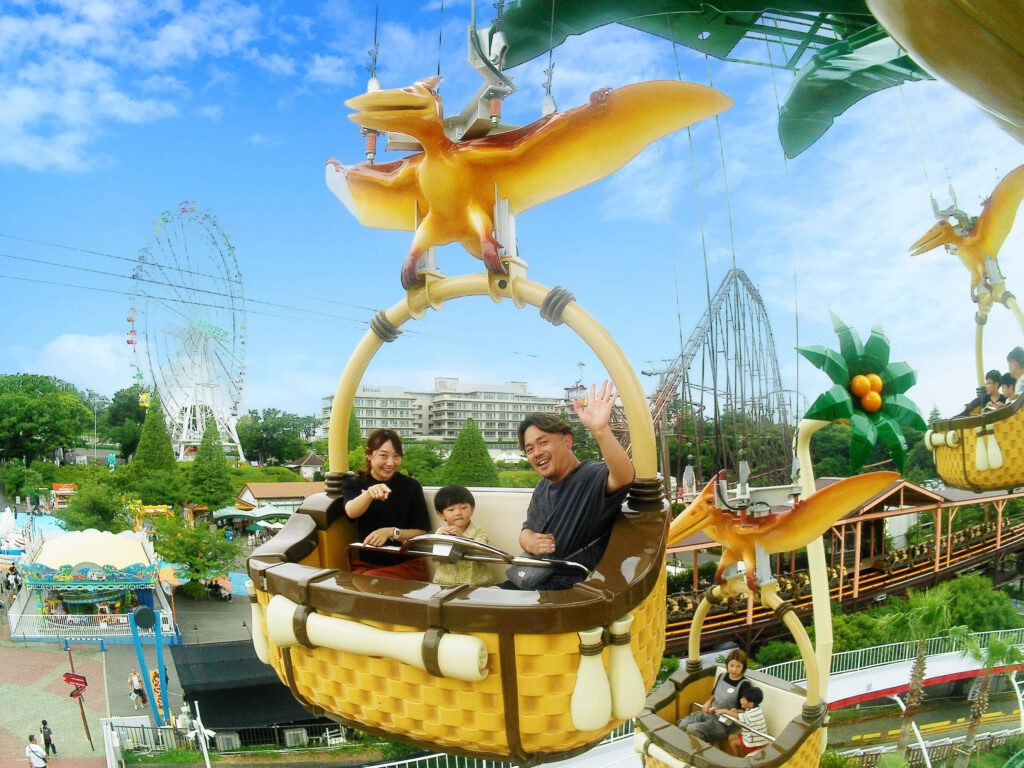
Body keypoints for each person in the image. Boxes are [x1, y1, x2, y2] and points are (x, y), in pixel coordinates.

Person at [507, 380, 635, 590]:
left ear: (567, 441)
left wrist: (601, 431)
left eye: (543, 442)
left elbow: (623, 476)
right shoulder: (542, 488)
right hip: (535, 580)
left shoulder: (591, 475)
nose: (536, 453)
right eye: (529, 449)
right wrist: (529, 541)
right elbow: (527, 529)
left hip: (568, 590)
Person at [341, 428, 430, 580]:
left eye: (396, 456)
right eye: (383, 455)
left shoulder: (411, 486)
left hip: (406, 565)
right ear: (369, 455)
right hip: (367, 564)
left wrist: (391, 532)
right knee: (355, 584)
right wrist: (369, 494)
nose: (390, 463)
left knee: (366, 584)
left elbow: (421, 532)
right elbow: (351, 512)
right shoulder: (354, 484)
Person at [676, 649, 751, 745]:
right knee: (682, 724)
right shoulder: (722, 676)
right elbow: (713, 694)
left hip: (723, 723)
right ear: (727, 665)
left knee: (692, 729)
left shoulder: (744, 685)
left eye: (738, 666)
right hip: (709, 713)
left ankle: (698, 748)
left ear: (743, 667)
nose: (734, 669)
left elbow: (745, 711)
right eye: (731, 666)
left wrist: (726, 711)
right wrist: (708, 702)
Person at [432, 485, 496, 587]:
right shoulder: (441, 532)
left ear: (472, 509)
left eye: (463, 508)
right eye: (451, 510)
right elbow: (437, 557)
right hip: (446, 585)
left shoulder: (478, 531)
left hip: (477, 585)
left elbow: (482, 551)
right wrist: (439, 538)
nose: (458, 513)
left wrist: (462, 538)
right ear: (441, 515)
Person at [727, 686, 769, 756]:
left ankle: (736, 760)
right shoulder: (757, 709)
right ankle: (733, 755)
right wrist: (737, 711)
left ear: (750, 704)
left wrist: (724, 711)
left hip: (755, 742)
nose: (741, 700)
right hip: (756, 737)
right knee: (730, 737)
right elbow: (745, 713)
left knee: (733, 743)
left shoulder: (750, 715)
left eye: (743, 699)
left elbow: (738, 716)